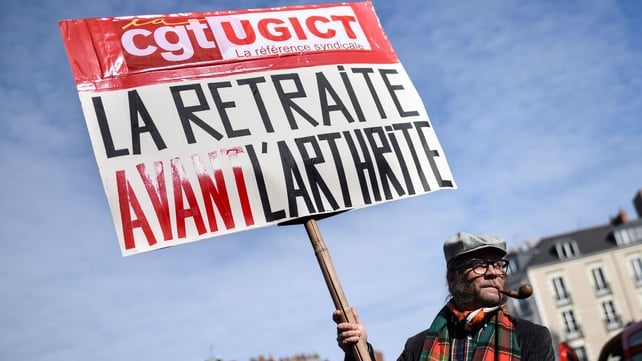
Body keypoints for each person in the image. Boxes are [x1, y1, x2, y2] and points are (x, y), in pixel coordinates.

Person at [333, 232, 555, 361]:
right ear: (453, 278)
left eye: (497, 264)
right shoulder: (417, 347)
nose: (493, 272)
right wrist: (358, 348)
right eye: (479, 265)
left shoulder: (532, 337)